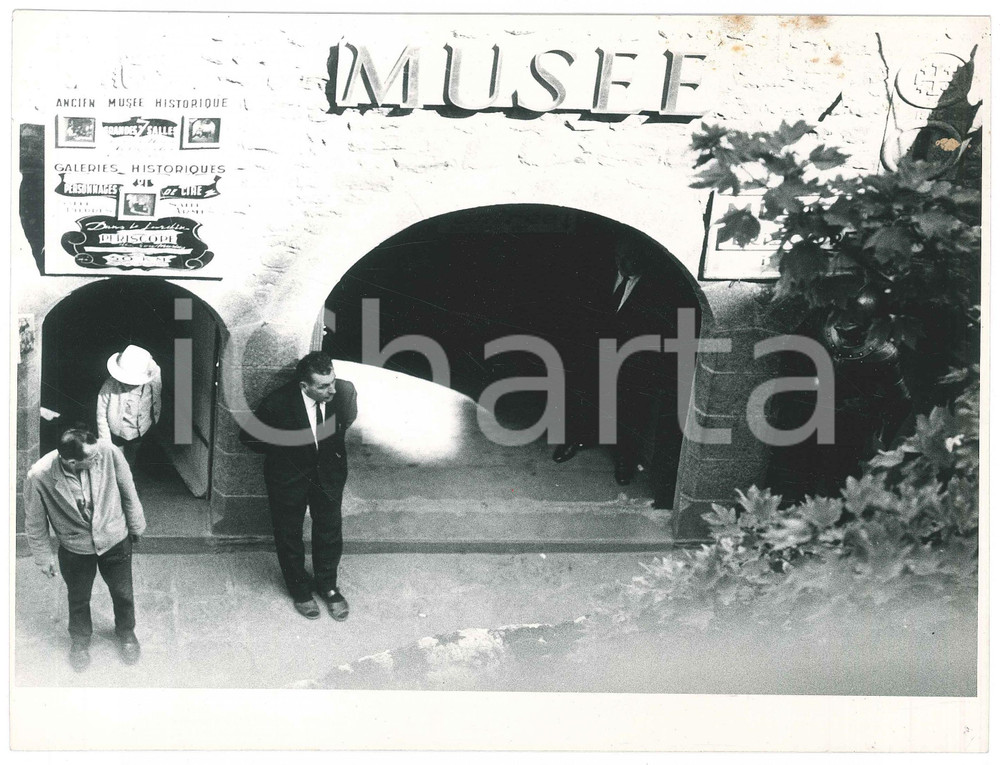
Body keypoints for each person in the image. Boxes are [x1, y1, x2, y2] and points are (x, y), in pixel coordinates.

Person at [553, 236, 686, 501]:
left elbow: (660, 329)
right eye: (623, 260)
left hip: (632, 362)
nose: (628, 265)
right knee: (582, 399)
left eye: (634, 261)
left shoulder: (658, 287)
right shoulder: (597, 275)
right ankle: (575, 439)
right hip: (591, 355)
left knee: (630, 411)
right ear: (616, 256)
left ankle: (625, 460)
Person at [240, 352, 357, 621]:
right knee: (289, 533)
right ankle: (300, 589)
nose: (332, 390)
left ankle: (328, 586)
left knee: (329, 529)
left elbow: (346, 421)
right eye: (323, 386)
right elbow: (249, 438)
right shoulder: (277, 403)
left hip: (329, 474)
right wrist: (287, 448)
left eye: (333, 381)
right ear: (305, 386)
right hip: (288, 478)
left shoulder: (345, 393)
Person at [24, 424, 146, 672]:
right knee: (78, 598)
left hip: (114, 539)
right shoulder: (39, 475)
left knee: (123, 592)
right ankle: (79, 641)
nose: (98, 456)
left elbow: (128, 491)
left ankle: (126, 632)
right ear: (70, 462)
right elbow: (35, 521)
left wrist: (135, 526)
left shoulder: (108, 452)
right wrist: (42, 557)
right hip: (75, 548)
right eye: (91, 457)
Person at [96, 344, 162, 467]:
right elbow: (101, 415)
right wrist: (105, 441)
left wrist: (154, 418)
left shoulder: (152, 379)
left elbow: (157, 396)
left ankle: (128, 475)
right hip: (117, 433)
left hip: (140, 430)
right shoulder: (110, 386)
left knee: (131, 458)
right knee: (116, 462)